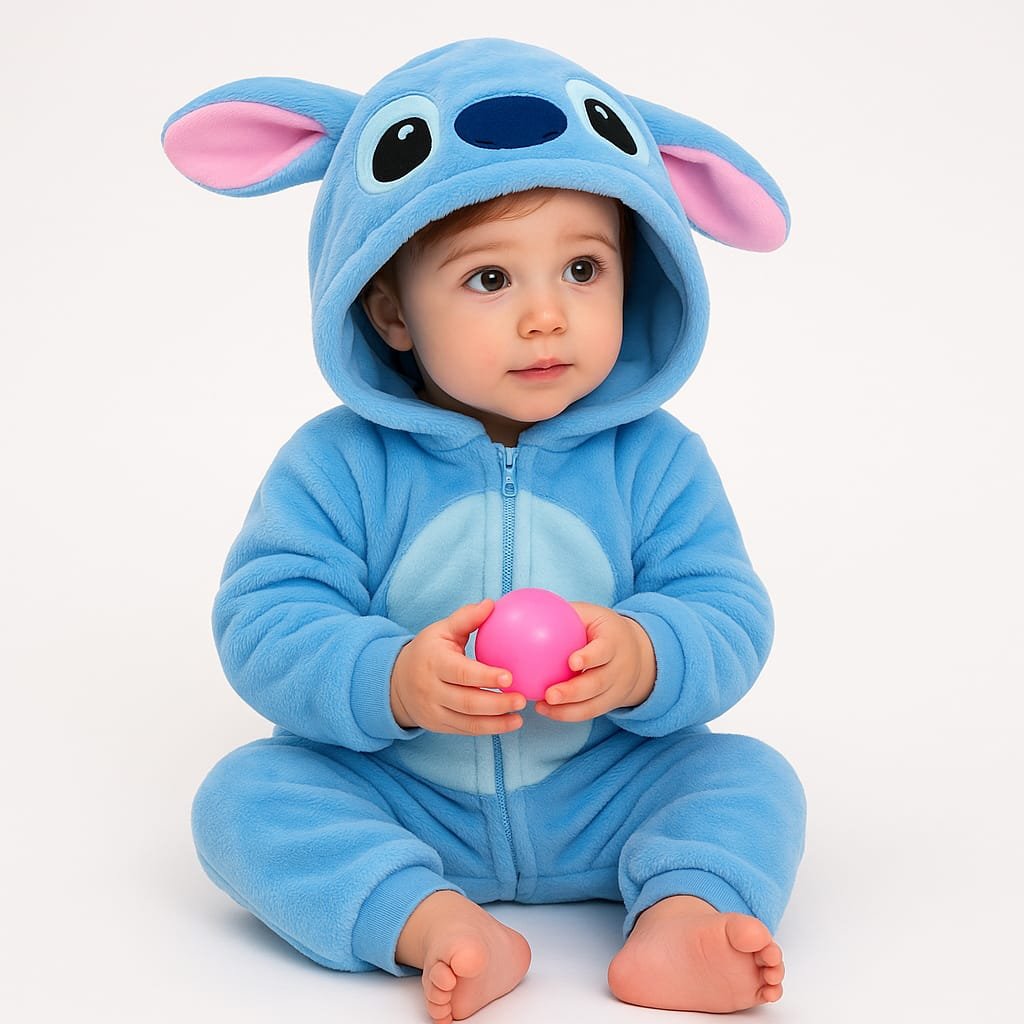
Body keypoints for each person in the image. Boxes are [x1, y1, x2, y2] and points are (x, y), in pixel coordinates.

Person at [163, 37, 806, 1024]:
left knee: (748, 777)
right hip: (403, 792)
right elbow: (266, 618)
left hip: (604, 784)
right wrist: (392, 678)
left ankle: (682, 914)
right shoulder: (338, 464)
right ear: (391, 311)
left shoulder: (656, 460)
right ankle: (432, 920)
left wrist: (644, 655)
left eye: (583, 268)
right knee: (243, 798)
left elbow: (724, 608)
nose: (546, 317)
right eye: (489, 280)